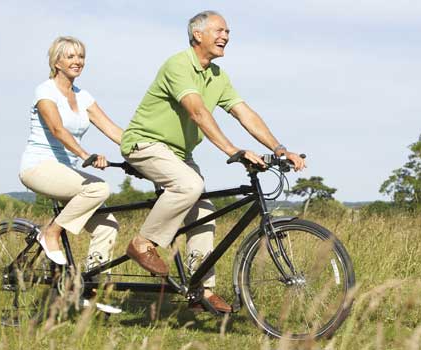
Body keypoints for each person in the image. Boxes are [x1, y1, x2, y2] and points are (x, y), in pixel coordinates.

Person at [120, 10, 305, 313]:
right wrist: (234, 150)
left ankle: (200, 290)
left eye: (228, 32)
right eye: (219, 31)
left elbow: (244, 113)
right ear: (197, 35)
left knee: (204, 214)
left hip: (180, 154)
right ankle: (142, 243)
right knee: (189, 185)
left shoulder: (218, 76)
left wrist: (279, 148)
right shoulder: (179, 65)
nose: (226, 37)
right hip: (145, 144)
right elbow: (197, 112)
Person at [20, 36, 123, 273]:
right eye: (70, 56)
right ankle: (51, 233)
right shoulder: (45, 91)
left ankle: (92, 287)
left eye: (81, 56)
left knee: (107, 225)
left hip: (67, 173)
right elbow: (58, 130)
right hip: (38, 166)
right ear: (57, 62)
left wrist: (144, 149)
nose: (77, 61)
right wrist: (86, 154)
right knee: (98, 188)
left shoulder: (83, 96)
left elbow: (112, 129)